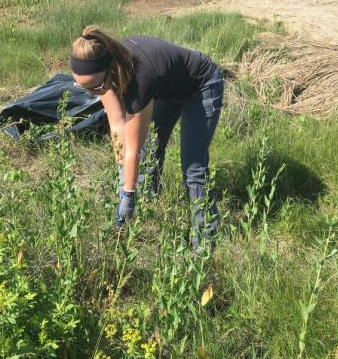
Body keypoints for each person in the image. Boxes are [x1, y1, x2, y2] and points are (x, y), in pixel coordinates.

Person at [70, 25, 224, 249]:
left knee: (193, 169)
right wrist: (123, 178)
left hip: (200, 85)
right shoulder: (105, 72)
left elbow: (132, 148)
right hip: (166, 88)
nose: (94, 93)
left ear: (110, 70)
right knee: (150, 152)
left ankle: (204, 244)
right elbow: (117, 125)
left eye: (96, 87)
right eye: (84, 88)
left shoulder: (139, 78)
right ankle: (147, 217)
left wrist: (128, 194)